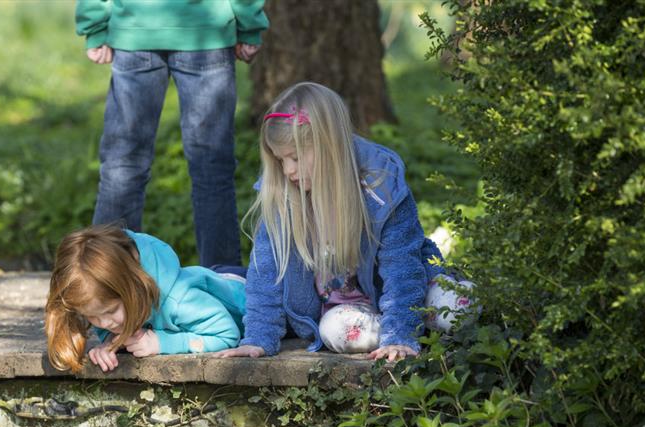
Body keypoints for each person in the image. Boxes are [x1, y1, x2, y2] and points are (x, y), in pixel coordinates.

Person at [218, 82, 473, 363]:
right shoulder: (284, 200)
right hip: (350, 310)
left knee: (457, 307)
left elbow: (403, 269)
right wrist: (258, 338)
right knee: (335, 330)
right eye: (280, 160)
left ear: (329, 146)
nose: (288, 170)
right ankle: (408, 331)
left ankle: (406, 328)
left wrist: (400, 335)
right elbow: (266, 274)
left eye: (296, 157)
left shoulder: (382, 189)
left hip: (403, 294)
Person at [75, 0, 268, 268]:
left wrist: (94, 23)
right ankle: (224, 285)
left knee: (123, 166)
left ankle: (104, 279)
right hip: (205, 31)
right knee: (212, 171)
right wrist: (248, 22)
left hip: (136, 28)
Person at [45, 224, 247, 373]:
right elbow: (112, 325)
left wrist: (163, 343)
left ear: (132, 287)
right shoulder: (109, 306)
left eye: (110, 310)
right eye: (91, 316)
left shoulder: (179, 301)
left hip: (247, 286)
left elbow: (227, 334)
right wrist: (113, 343)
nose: (104, 323)